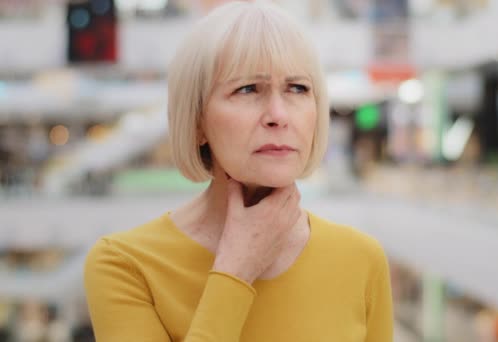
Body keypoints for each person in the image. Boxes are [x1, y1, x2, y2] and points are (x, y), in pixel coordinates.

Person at [83, 1, 394, 341]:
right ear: (198, 120)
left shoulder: (362, 260)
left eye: (298, 88)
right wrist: (235, 269)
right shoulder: (125, 265)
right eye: (247, 89)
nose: (279, 114)